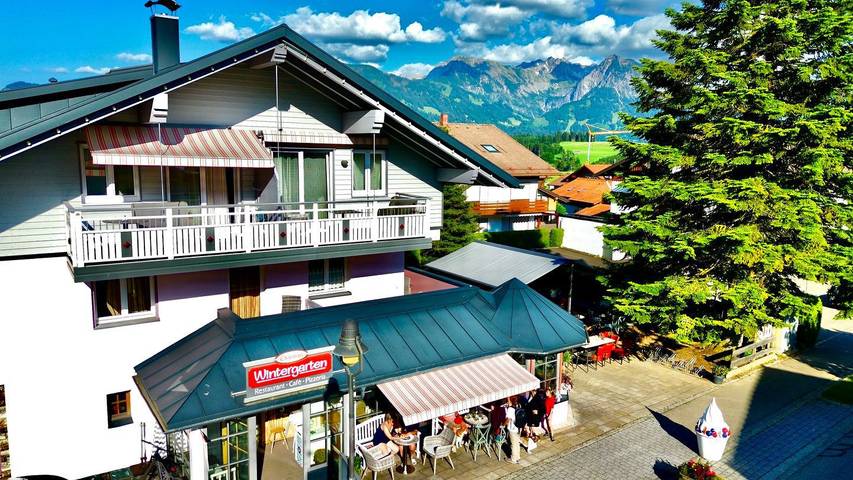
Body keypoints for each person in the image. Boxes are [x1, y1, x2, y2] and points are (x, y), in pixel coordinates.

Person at [504, 398, 521, 464]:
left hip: (512, 428)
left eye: (508, 400)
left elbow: (508, 419)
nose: (507, 402)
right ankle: (517, 457)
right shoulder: (517, 406)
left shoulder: (510, 409)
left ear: (510, 401)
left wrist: (503, 425)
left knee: (513, 444)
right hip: (517, 428)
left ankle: (513, 459)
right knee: (517, 443)